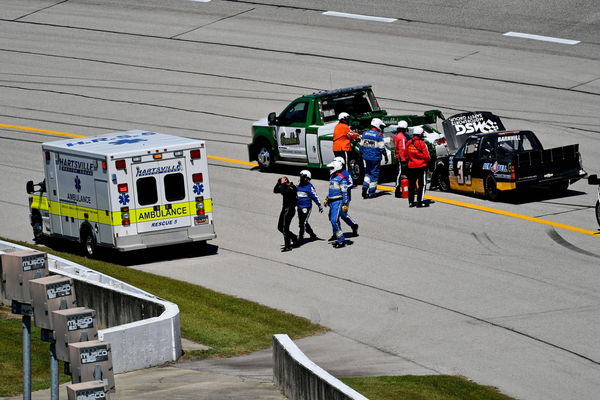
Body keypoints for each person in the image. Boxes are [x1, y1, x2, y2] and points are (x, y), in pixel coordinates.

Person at [323, 158, 354, 248]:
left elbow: (344, 192)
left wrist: (344, 204)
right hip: (332, 201)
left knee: (334, 220)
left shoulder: (342, 178)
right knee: (332, 218)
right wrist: (327, 198)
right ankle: (336, 235)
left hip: (338, 201)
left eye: (332, 167)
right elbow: (331, 190)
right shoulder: (332, 177)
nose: (330, 169)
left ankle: (341, 240)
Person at [329, 157, 359, 239]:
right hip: (335, 198)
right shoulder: (333, 173)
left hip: (344, 197)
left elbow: (351, 183)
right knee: (334, 216)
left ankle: (354, 226)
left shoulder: (346, 173)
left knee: (343, 215)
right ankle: (336, 233)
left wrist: (343, 187)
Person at [360, 118, 389, 199]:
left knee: (368, 172)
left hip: (366, 157)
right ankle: (371, 192)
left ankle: (365, 187)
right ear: (378, 125)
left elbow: (360, 147)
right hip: (375, 158)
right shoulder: (379, 135)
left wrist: (364, 154)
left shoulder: (365, 133)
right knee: (374, 174)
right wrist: (385, 156)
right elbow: (382, 148)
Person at [403, 126, 431, 208]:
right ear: (420, 135)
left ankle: (411, 202)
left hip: (411, 166)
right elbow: (427, 156)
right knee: (422, 184)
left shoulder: (408, 143)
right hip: (421, 166)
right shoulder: (422, 143)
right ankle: (420, 201)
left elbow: (405, 154)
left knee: (411, 185)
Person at [296, 170, 323, 243]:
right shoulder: (299, 185)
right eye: (300, 177)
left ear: (307, 178)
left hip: (307, 207)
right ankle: (312, 234)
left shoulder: (309, 187)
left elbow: (315, 196)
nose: (300, 178)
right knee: (302, 222)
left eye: (302, 177)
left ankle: (300, 238)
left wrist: (319, 205)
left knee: (303, 223)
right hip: (299, 207)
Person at [273, 176, 298, 251]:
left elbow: (285, 192)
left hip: (290, 210)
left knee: (285, 228)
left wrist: (282, 184)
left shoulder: (292, 187)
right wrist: (278, 183)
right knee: (280, 227)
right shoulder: (284, 186)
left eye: (284, 179)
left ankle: (288, 246)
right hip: (284, 210)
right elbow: (275, 190)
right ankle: (294, 237)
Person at [393, 120, 411, 198]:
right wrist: (404, 159)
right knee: (400, 173)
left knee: (399, 173)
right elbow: (402, 149)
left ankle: (399, 189)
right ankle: (397, 190)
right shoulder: (403, 138)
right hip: (402, 158)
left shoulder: (396, 136)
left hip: (398, 157)